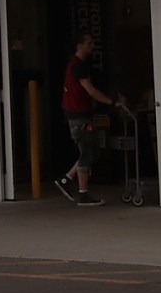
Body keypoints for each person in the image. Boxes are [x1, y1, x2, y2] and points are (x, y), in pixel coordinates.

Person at [51, 31, 126, 207]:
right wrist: (112, 102)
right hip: (79, 116)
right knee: (87, 153)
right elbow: (90, 91)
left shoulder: (75, 65)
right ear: (80, 45)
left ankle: (67, 179)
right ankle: (82, 193)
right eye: (89, 43)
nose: (92, 46)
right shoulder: (78, 66)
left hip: (80, 115)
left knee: (91, 152)